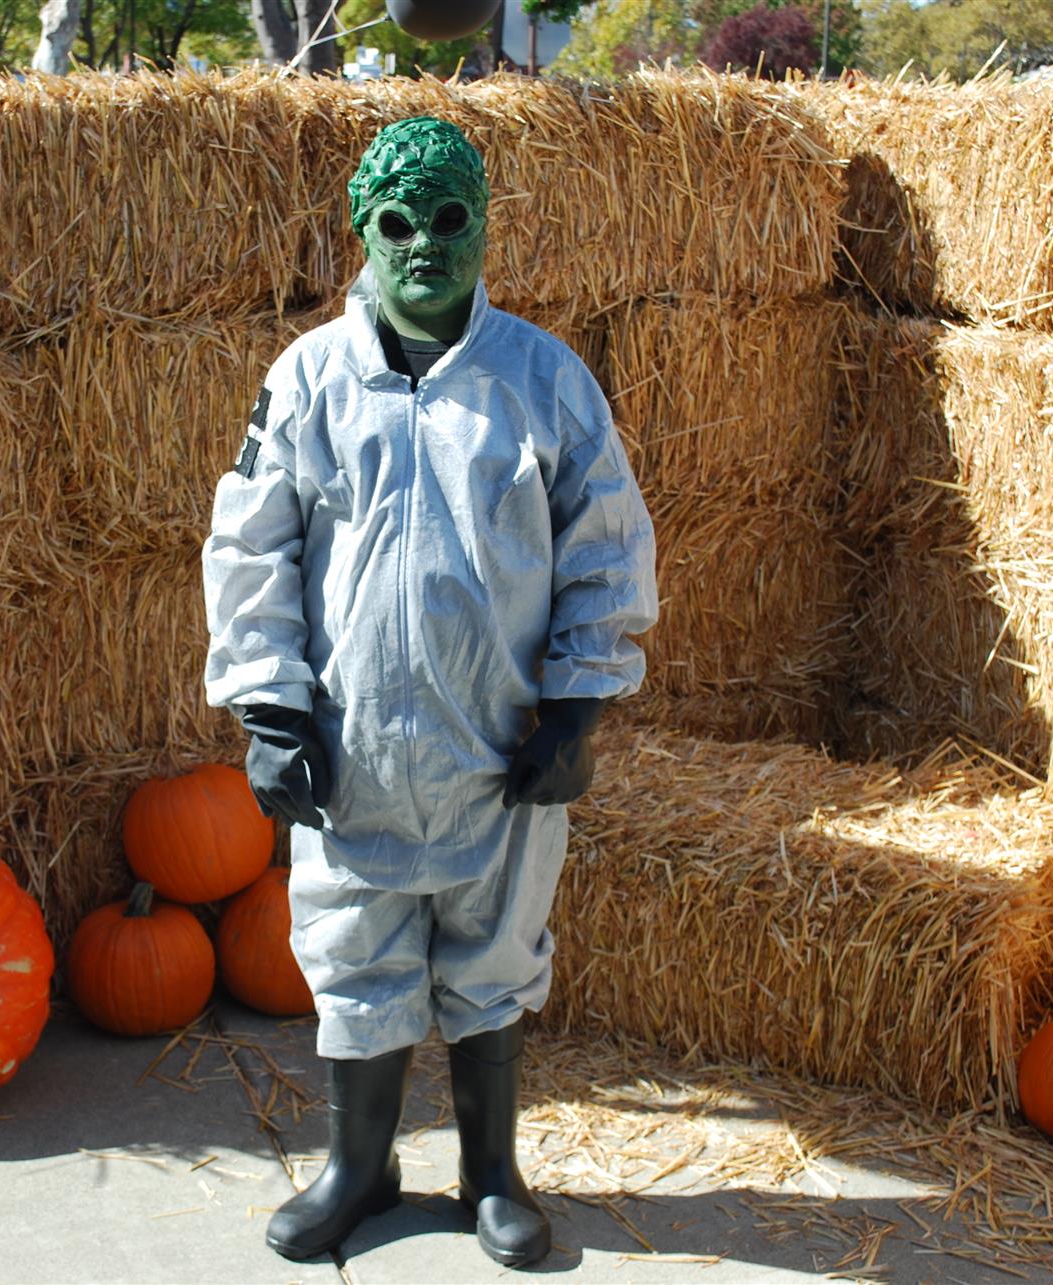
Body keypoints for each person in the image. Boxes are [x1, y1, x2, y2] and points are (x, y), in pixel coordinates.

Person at [202, 117, 657, 1267]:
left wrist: (575, 706)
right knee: (354, 951)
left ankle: (491, 1173)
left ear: (484, 223)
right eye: (398, 224)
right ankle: (361, 1166)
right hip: (352, 753)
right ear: (364, 231)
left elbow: (605, 544)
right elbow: (253, 546)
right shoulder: (309, 381)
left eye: (449, 221)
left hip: (498, 750)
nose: (423, 248)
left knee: (493, 953)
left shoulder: (542, 381)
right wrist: (272, 706)